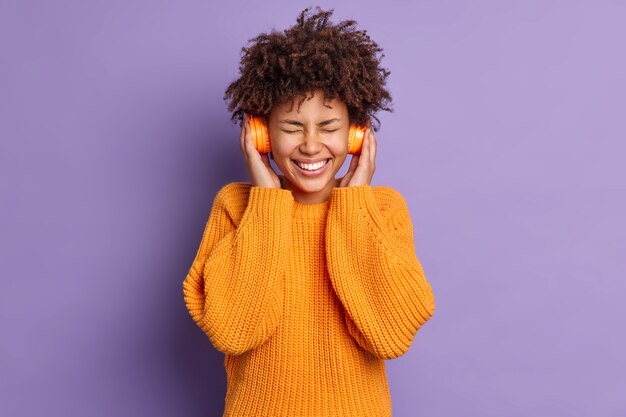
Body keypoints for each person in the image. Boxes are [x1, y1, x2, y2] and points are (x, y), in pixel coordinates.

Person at [182, 7, 436, 416]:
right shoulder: (236, 206)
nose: (312, 145)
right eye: (292, 127)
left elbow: (390, 335)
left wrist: (353, 205)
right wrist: (266, 201)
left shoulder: (383, 209)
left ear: (357, 134)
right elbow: (233, 330)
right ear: (261, 132)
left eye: (330, 127)